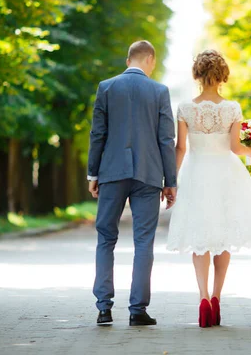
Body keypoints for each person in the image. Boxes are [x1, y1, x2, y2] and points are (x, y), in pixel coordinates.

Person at [166, 49, 251, 327]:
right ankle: (216, 298)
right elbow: (236, 147)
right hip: (226, 174)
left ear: (198, 75)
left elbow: (180, 148)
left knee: (200, 235)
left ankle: (202, 298)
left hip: (196, 171)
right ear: (222, 76)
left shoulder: (186, 108)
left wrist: (171, 182)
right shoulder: (232, 108)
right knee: (223, 237)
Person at [87, 40, 177, 326]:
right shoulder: (160, 91)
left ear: (128, 61)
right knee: (143, 242)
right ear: (149, 59)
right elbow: (166, 140)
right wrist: (170, 181)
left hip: (112, 172)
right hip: (148, 175)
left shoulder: (107, 87)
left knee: (106, 238)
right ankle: (138, 310)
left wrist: (93, 174)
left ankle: (104, 308)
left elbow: (97, 134)